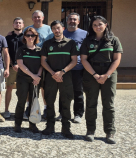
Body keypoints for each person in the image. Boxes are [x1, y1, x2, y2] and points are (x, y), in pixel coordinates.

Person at [81, 15, 122, 144]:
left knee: (108, 104)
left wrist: (107, 75)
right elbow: (83, 59)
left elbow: (117, 59)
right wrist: (95, 75)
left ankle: (110, 132)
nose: (97, 27)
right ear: (91, 27)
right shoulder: (87, 41)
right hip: (91, 73)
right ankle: (90, 131)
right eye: (94, 25)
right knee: (91, 103)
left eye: (100, 24)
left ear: (105, 25)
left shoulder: (113, 40)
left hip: (109, 74)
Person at [41, 20, 78, 139]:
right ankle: (50, 126)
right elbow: (43, 61)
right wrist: (53, 73)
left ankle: (66, 128)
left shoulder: (71, 43)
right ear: (52, 30)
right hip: (51, 77)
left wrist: (62, 72)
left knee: (66, 102)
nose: (56, 31)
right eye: (54, 29)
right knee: (50, 102)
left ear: (62, 28)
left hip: (65, 77)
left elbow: (74, 60)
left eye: (58, 28)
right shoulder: (47, 44)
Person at [56, 12, 87, 123]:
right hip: (62, 69)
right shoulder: (61, 33)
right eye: (70, 19)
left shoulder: (84, 34)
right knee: (63, 92)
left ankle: (78, 114)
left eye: (74, 19)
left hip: (78, 68)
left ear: (78, 21)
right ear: (67, 21)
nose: (72, 21)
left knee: (78, 92)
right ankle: (62, 113)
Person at [23, 10, 54, 120]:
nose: (37, 19)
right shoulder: (28, 29)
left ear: (43, 18)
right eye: (35, 17)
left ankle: (45, 107)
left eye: (39, 17)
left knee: (44, 87)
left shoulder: (48, 30)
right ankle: (28, 107)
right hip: (31, 63)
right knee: (30, 86)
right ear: (32, 19)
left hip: (45, 62)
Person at [13, 27, 42, 134]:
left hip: (35, 80)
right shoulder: (21, 49)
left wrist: (37, 76)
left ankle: (32, 124)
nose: (30, 37)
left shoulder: (40, 50)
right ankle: (17, 124)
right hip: (23, 79)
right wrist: (33, 76)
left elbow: (42, 64)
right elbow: (20, 64)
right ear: (24, 37)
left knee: (33, 102)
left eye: (32, 35)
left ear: (36, 37)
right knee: (21, 101)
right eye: (28, 35)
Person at [4, 17, 24, 119]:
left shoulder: (26, 37)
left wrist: (20, 65)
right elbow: (6, 53)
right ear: (13, 25)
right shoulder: (7, 38)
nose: (18, 24)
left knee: (24, 90)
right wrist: (12, 64)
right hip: (11, 68)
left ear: (23, 25)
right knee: (9, 88)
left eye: (20, 23)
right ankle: (6, 110)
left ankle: (24, 111)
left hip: (23, 68)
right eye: (16, 23)